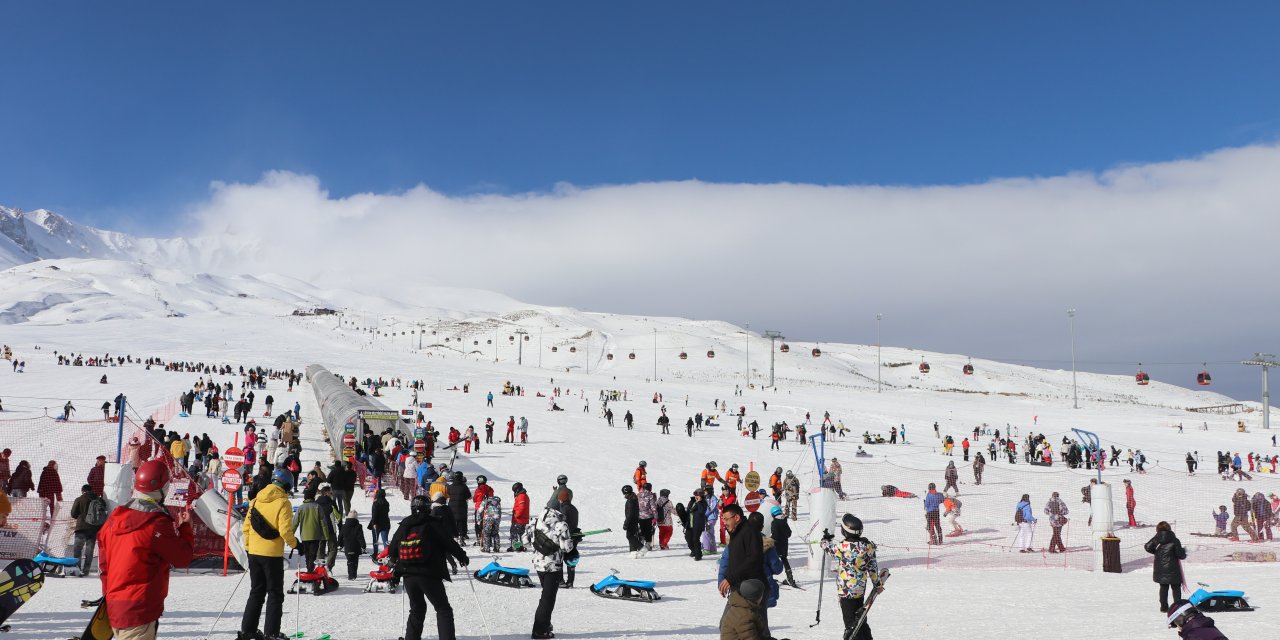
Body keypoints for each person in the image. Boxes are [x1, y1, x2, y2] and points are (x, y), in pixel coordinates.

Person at [97, 459, 194, 640]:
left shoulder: (112, 521)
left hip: (116, 605)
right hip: (139, 607)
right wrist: (186, 529)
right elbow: (182, 558)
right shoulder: (156, 524)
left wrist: (110, 597)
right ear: (162, 488)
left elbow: (104, 567)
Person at [389, 495, 470, 640]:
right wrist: (461, 556)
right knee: (443, 609)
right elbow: (448, 542)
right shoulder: (432, 524)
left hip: (408, 575)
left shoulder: (404, 525)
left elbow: (392, 551)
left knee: (417, 609)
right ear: (428, 508)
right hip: (429, 574)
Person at [241, 469, 299, 640]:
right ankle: (271, 633)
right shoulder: (283, 502)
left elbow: (246, 527)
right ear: (287, 485)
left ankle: (248, 630)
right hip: (272, 554)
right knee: (274, 593)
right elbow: (285, 530)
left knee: (256, 591)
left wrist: (248, 547)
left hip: (254, 553)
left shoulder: (255, 500)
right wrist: (296, 544)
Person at [820, 514, 883, 640]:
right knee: (860, 620)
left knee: (851, 624)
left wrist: (825, 540)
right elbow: (872, 568)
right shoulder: (868, 547)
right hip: (860, 589)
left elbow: (826, 547)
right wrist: (877, 584)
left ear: (844, 531)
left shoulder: (842, 547)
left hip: (846, 591)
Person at [524, 505, 574, 639]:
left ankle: (545, 624)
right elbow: (567, 548)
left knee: (546, 596)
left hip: (539, 564)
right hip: (553, 566)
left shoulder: (535, 521)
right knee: (548, 599)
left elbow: (525, 542)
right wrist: (572, 540)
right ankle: (539, 630)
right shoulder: (561, 525)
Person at [718, 504, 762, 599]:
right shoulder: (737, 534)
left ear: (736, 517)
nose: (724, 523)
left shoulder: (749, 532)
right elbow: (730, 562)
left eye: (726, 519)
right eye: (723, 519)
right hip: (738, 588)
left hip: (748, 590)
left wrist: (730, 579)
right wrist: (725, 581)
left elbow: (753, 560)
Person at [1145, 521, 1187, 612]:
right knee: (1176, 587)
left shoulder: (1156, 538)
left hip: (1160, 567)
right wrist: (1184, 552)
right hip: (1173, 567)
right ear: (1169, 528)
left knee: (1163, 587)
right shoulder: (1175, 540)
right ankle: (1177, 607)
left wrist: (1157, 553)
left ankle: (1164, 607)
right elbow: (1180, 555)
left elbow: (1147, 546)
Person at [1166, 599, 1231, 640]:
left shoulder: (1192, 634)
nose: (1178, 628)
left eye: (1176, 624)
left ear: (1180, 619)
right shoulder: (1205, 625)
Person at [769, 505, 797, 587]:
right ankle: (790, 579)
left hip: (776, 545)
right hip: (784, 545)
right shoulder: (784, 521)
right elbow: (789, 533)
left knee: (771, 560)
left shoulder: (774, 523)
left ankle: (768, 577)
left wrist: (770, 539)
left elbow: (775, 535)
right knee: (784, 560)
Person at [369, 488, 391, 557]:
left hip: (377, 524)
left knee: (375, 540)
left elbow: (374, 515)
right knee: (385, 540)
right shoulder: (386, 503)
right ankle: (387, 554)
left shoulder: (376, 503)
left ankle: (375, 553)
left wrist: (374, 523)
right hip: (386, 523)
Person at [509, 482, 530, 552]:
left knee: (515, 533)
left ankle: (516, 547)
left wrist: (516, 515)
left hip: (519, 519)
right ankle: (519, 546)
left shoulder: (521, 496)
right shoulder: (522, 495)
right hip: (521, 518)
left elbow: (522, 508)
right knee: (519, 533)